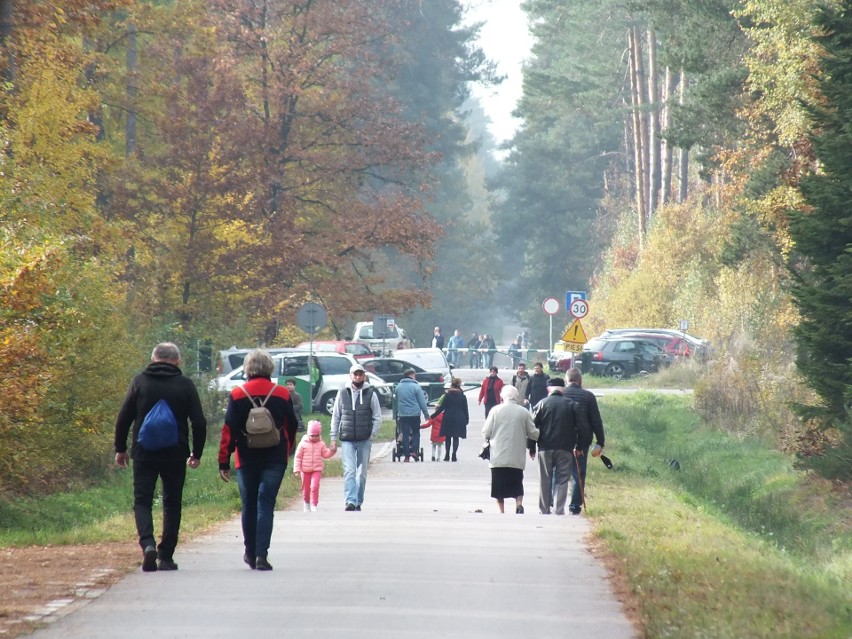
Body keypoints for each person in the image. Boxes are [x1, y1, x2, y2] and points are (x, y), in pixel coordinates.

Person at [114, 342, 207, 572]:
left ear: (153, 359)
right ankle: (166, 556)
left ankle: (147, 545)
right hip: (175, 453)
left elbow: (124, 417)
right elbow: (199, 421)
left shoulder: (140, 382)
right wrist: (196, 453)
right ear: (178, 361)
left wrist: (121, 448)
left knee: (142, 500)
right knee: (172, 503)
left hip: (144, 453)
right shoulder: (185, 385)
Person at [218, 350, 297, 570]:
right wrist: (286, 450)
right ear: (270, 368)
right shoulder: (282, 393)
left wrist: (224, 461)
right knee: (266, 504)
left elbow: (229, 430)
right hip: (274, 457)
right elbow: (291, 425)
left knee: (249, 505)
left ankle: (249, 552)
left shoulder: (237, 394)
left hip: (246, 458)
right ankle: (262, 554)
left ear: (247, 368)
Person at [330, 363, 382, 511]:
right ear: (350, 375)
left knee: (362, 473)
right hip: (347, 438)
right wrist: (333, 438)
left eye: (360, 374)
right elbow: (336, 416)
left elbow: (377, 417)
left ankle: (358, 500)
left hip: (364, 439)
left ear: (364, 376)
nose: (358, 377)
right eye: (355, 374)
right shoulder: (342, 393)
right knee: (349, 470)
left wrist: (372, 435)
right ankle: (350, 501)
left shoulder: (371, 394)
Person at [481, 385, 539, 514]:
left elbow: (486, 432)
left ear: (502, 396)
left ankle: (501, 511)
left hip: (498, 454)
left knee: (498, 485)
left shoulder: (495, 410)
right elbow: (533, 433)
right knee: (517, 482)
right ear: (516, 397)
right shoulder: (523, 412)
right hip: (516, 455)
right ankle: (518, 504)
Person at [530, 377, 579, 515]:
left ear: (548, 390)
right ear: (563, 389)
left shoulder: (542, 404)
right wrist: (579, 445)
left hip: (545, 447)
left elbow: (533, 428)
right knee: (563, 479)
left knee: (545, 479)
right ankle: (559, 510)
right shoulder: (572, 404)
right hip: (566, 448)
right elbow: (581, 427)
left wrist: (531, 447)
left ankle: (544, 509)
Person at [562, 367, 606, 515]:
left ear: (566, 380)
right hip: (582, 440)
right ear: (581, 380)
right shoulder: (588, 397)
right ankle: (574, 507)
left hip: (561, 439)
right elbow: (596, 421)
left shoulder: (560, 394)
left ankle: (554, 503)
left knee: (558, 473)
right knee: (578, 473)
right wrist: (600, 441)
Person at [293, 420, 336, 511]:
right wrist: (297, 469)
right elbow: (298, 457)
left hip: (317, 469)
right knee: (306, 488)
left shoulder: (321, 444)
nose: (314, 438)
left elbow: (325, 454)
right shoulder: (303, 444)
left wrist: (332, 451)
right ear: (308, 434)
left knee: (314, 486)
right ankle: (306, 503)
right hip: (305, 470)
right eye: (312, 435)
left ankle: (314, 504)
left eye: (317, 436)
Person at [393, 368, 430, 462]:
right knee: (416, 433)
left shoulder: (398, 387)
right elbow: (422, 402)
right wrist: (426, 414)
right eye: (414, 375)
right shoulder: (416, 387)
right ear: (411, 375)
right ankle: (414, 451)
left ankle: (406, 456)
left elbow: (397, 399)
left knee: (405, 434)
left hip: (403, 414)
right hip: (415, 414)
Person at [433, 377, 469, 461]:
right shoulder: (463, 396)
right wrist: (466, 420)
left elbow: (442, 407)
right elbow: (465, 409)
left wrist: (433, 416)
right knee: (456, 437)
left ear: (452, 385)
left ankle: (447, 455)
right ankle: (454, 455)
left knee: (448, 437)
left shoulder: (448, 396)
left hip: (448, 417)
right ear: (459, 385)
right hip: (459, 418)